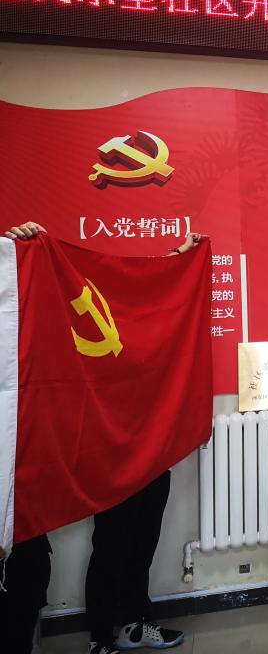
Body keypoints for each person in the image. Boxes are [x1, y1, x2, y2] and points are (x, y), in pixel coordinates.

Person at [6, 221, 205, 654]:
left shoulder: (142, 323)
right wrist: (15, 253)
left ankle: (136, 621)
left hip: (151, 446)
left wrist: (182, 261)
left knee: (142, 546)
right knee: (111, 546)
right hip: (110, 449)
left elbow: (159, 300)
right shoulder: (76, 305)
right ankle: (101, 636)